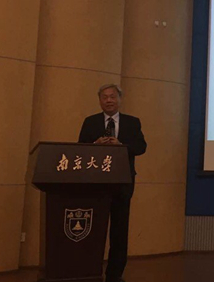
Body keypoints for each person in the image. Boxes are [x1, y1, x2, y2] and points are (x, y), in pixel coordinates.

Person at [78, 84, 147, 282]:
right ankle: (91, 270)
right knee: (94, 228)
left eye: (112, 97)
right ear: (99, 100)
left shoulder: (132, 122)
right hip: (96, 183)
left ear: (119, 99)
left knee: (119, 229)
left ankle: (115, 274)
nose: (109, 100)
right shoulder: (90, 122)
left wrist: (121, 145)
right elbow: (80, 148)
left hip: (123, 183)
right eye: (105, 97)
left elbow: (141, 147)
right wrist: (95, 145)